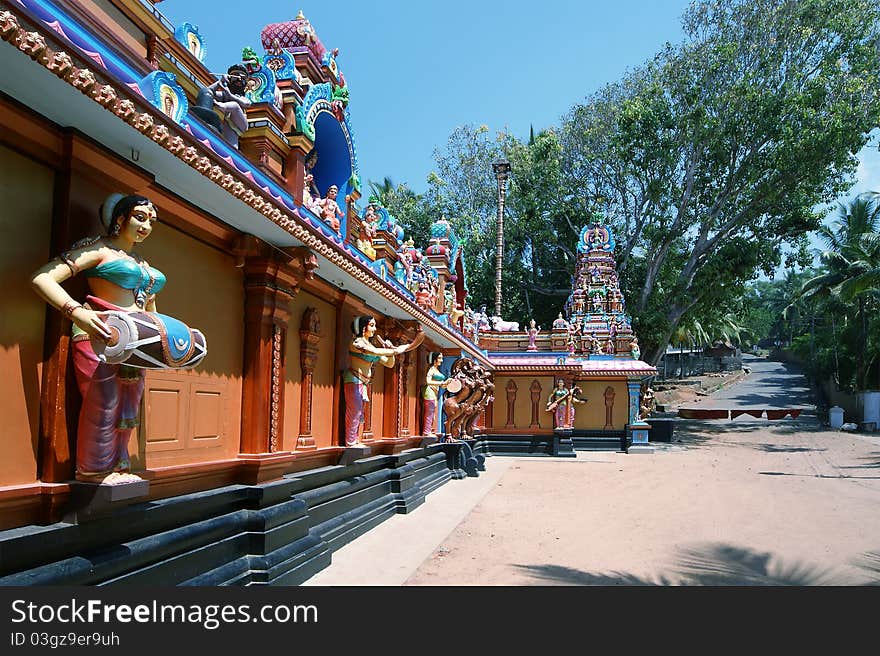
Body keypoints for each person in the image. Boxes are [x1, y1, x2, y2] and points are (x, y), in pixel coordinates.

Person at [30, 194, 164, 484]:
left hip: (137, 339)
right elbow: (43, 278)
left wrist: (159, 336)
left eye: (151, 221)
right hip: (100, 332)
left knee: (130, 405)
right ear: (120, 218)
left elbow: (149, 303)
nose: (146, 226)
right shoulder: (99, 250)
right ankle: (94, 470)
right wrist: (78, 313)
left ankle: (121, 466)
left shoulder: (142, 262)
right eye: (140, 217)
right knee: (102, 402)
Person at [344, 315, 424, 447]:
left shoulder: (370, 344)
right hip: (354, 380)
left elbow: (389, 363)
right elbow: (374, 352)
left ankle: (355, 440)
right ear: (363, 327)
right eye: (372, 325)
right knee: (355, 411)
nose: (375, 329)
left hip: (363, 383)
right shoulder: (356, 343)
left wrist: (389, 350)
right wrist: (392, 351)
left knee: (359, 413)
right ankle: (350, 442)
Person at [422, 352, 448, 436]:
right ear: (434, 359)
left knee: (432, 413)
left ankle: (429, 430)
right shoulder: (431, 369)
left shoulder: (437, 370)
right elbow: (428, 381)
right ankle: (426, 432)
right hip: (429, 391)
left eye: (441, 358)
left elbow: (441, 385)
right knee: (430, 412)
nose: (441, 360)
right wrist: (440, 383)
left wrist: (445, 384)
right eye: (439, 358)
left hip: (435, 392)